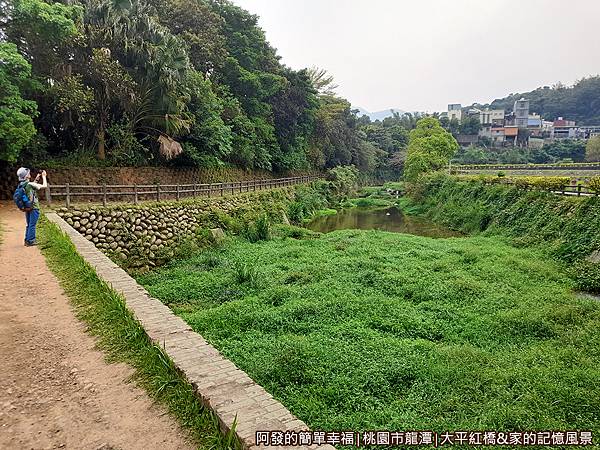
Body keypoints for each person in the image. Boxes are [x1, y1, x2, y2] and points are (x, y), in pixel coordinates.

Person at [16, 167, 47, 246]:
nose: (29, 174)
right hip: (34, 207)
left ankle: (27, 240)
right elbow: (44, 186)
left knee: (29, 224)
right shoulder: (29, 184)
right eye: (28, 174)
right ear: (26, 176)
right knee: (32, 224)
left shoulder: (22, 184)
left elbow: (32, 186)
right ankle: (31, 240)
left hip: (27, 207)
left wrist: (37, 177)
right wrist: (44, 176)